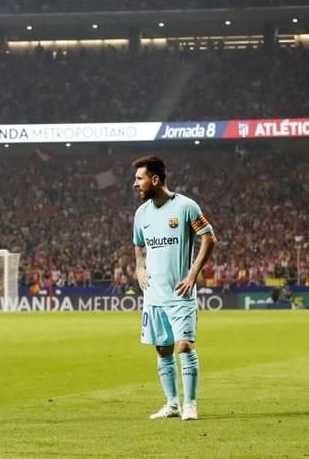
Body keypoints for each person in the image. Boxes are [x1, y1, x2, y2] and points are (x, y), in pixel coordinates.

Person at [131, 155, 217, 421]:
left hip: (180, 294)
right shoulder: (141, 214)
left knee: (185, 346)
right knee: (162, 348)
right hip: (153, 294)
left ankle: (190, 404)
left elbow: (209, 238)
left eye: (139, 179)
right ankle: (171, 404)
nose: (135, 184)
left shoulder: (185, 207)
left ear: (155, 180)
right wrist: (139, 268)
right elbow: (139, 246)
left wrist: (192, 274)